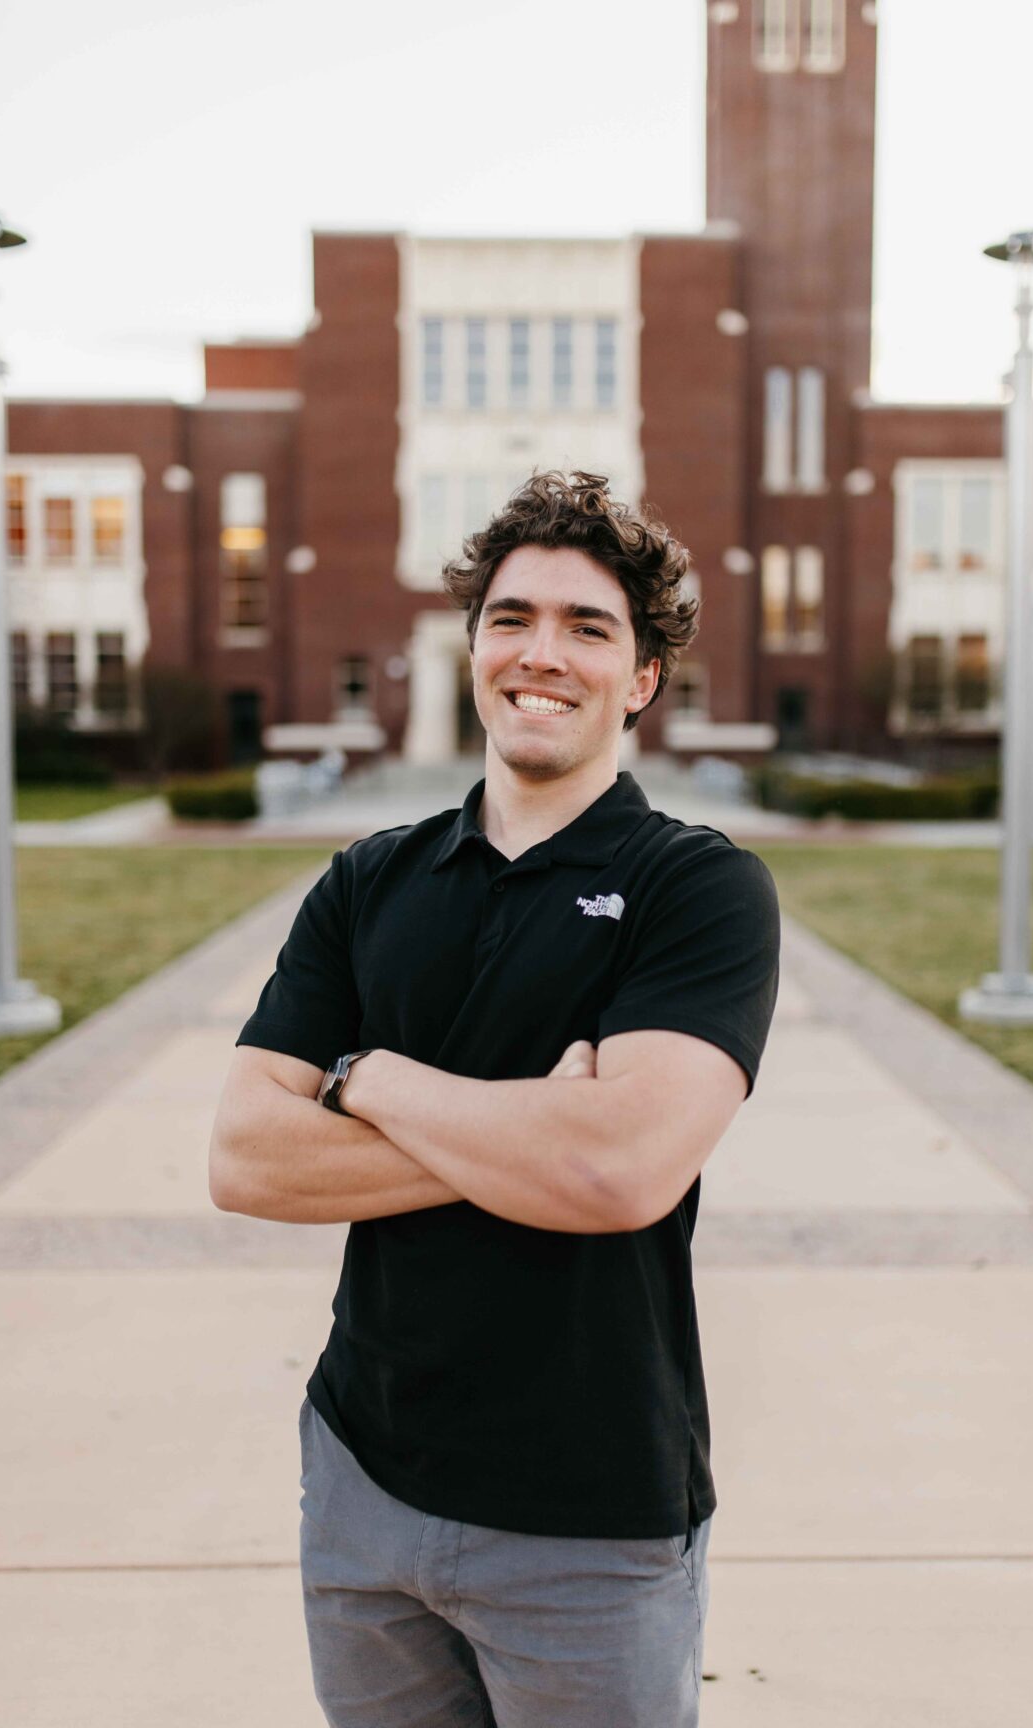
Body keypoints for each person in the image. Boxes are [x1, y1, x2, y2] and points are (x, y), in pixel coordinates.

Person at [209, 470, 780, 1728]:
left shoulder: (700, 890)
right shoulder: (369, 879)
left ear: (640, 679)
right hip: (363, 1477)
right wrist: (538, 1120)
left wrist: (372, 1079)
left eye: (590, 627)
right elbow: (247, 1159)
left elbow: (621, 1175)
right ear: (473, 649)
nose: (543, 654)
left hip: (589, 1515)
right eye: (513, 618)